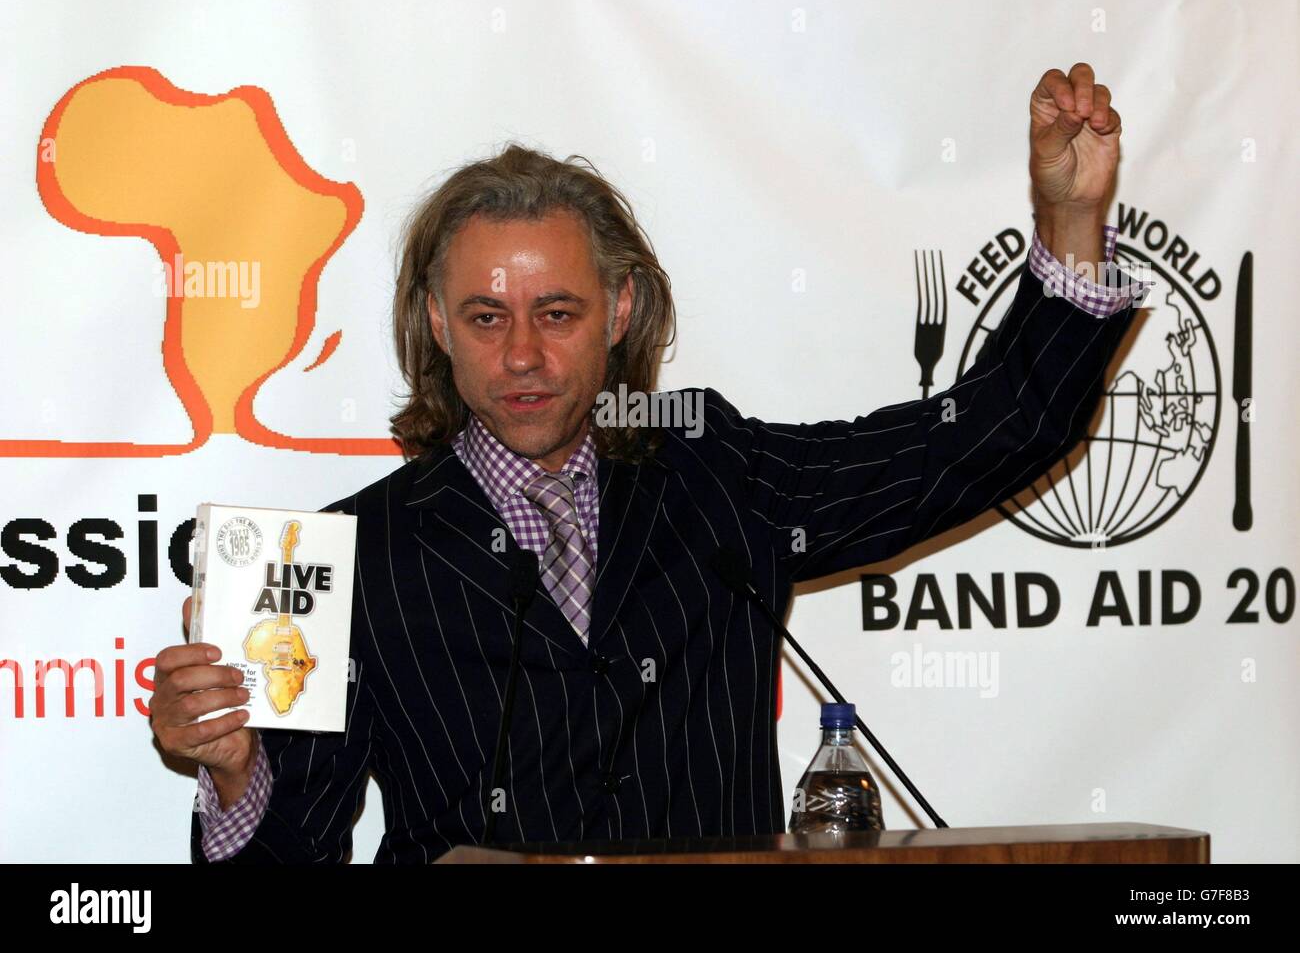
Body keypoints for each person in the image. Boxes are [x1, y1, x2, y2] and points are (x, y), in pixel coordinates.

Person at [149, 64, 1148, 863]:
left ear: (619, 313)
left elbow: (981, 443)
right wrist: (237, 775)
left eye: (558, 313)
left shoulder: (713, 474)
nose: (524, 357)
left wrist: (1068, 225)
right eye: (487, 318)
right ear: (435, 325)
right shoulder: (349, 553)